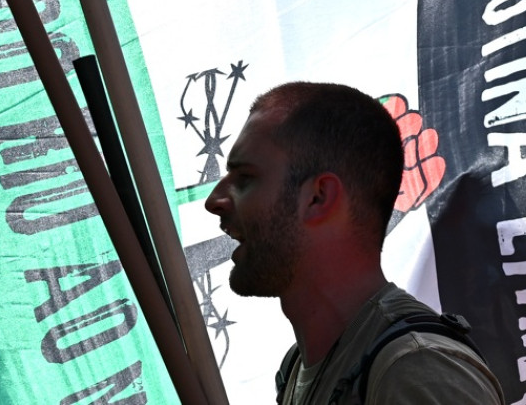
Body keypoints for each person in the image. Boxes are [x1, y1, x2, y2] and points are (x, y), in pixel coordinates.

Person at [205, 81, 504, 404]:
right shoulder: (300, 365)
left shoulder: (416, 370)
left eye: (245, 178)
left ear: (319, 197)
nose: (214, 201)